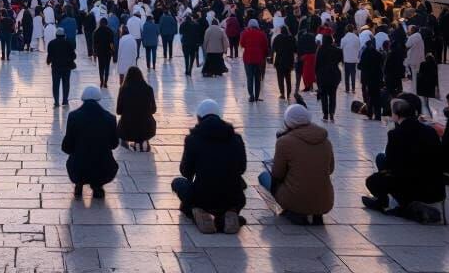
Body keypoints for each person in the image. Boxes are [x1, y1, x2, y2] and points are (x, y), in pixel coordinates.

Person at [171, 99, 247, 235]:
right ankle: (229, 213)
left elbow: (185, 172)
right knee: (239, 185)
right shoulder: (236, 138)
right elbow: (242, 169)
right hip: (232, 197)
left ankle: (198, 212)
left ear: (199, 118)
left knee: (177, 183)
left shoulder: (192, 139)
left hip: (203, 197)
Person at [361, 98, 445, 221]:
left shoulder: (395, 134)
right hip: (435, 187)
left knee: (373, 179)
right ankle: (391, 202)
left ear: (396, 115)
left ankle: (394, 205)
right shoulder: (430, 131)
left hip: (411, 186)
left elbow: (391, 163)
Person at [258, 104, 334, 226]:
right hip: (325, 202)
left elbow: (277, 174)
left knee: (264, 176)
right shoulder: (325, 141)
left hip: (296, 200)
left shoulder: (284, 142)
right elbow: (330, 169)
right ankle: (315, 212)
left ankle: (294, 210)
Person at [62, 85, 119, 198]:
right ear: (99, 98)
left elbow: (66, 146)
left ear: (83, 98)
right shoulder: (110, 118)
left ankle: (79, 184)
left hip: (79, 167)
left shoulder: (73, 116)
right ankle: (97, 186)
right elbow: (114, 144)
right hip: (103, 167)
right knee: (103, 161)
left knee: (76, 159)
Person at [116, 65, 157, 152]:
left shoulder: (123, 89)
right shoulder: (149, 89)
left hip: (128, 127)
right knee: (145, 120)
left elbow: (119, 111)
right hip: (146, 127)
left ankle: (126, 141)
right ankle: (143, 140)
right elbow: (153, 110)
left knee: (122, 121)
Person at [239, 19, 268, 103]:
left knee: (250, 77)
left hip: (248, 58)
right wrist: (264, 55)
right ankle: (256, 96)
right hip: (259, 59)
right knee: (258, 78)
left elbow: (242, 44)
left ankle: (251, 95)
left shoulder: (245, 33)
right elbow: (265, 46)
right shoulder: (262, 34)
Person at [47, 28, 77, 107]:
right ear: (64, 35)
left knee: (55, 84)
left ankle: (56, 101)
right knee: (66, 84)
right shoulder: (68, 43)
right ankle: (65, 100)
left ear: (56, 35)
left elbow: (49, 55)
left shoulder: (51, 43)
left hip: (56, 67)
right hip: (66, 67)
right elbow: (74, 56)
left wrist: (48, 61)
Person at [315, 35, 342, 122]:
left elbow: (317, 64)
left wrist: (316, 75)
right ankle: (332, 113)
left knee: (324, 95)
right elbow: (340, 60)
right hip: (334, 75)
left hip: (323, 75)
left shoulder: (320, 50)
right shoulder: (337, 50)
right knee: (333, 95)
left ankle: (325, 114)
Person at [272, 25, 295, 100]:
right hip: (289, 61)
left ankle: (282, 94)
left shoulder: (277, 38)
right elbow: (295, 49)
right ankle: (288, 94)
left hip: (279, 61)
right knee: (288, 78)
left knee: (280, 78)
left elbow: (274, 49)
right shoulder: (291, 38)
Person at [93, 17, 114, 88]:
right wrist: (113, 51)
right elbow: (111, 43)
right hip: (108, 52)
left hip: (100, 52)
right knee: (107, 67)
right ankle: (106, 82)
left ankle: (101, 81)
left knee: (101, 67)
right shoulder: (110, 31)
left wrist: (95, 53)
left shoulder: (96, 31)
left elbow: (95, 44)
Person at [341, 26, 360, 94]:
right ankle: (353, 88)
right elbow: (359, 47)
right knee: (353, 74)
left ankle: (347, 89)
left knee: (346, 75)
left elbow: (341, 47)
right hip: (354, 59)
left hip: (346, 59)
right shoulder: (356, 38)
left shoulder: (344, 38)